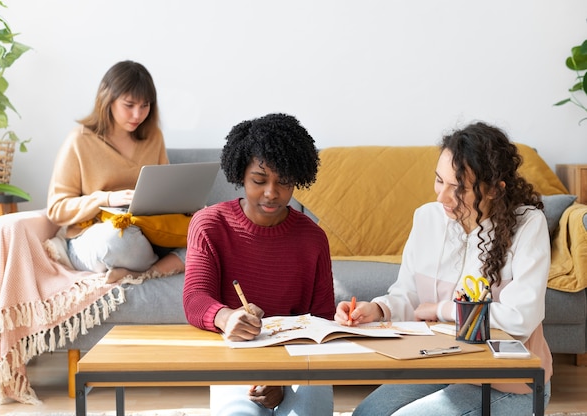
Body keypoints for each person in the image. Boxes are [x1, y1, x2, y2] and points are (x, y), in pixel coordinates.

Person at [335, 122, 553, 416]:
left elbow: (520, 321)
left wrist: (443, 309)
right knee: (367, 414)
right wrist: (377, 310)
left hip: (509, 381)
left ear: (493, 189)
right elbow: (410, 296)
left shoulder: (528, 225)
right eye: (439, 181)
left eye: (458, 188)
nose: (442, 197)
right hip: (440, 366)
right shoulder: (427, 218)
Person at [183, 113, 336, 416]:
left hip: (298, 359)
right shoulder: (209, 225)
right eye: (259, 180)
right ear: (241, 174)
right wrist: (225, 317)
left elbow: (322, 320)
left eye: (284, 182)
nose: (271, 193)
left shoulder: (313, 238)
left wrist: (283, 376)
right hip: (237, 356)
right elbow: (194, 298)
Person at [47, 60, 185, 283]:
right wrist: (107, 199)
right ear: (107, 100)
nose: (137, 115)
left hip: (149, 233)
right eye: (129, 105)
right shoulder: (79, 140)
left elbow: (163, 192)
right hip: (97, 236)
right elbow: (56, 209)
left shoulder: (153, 137)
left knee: (210, 236)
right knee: (118, 238)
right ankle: (160, 265)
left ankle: (143, 273)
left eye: (145, 105)